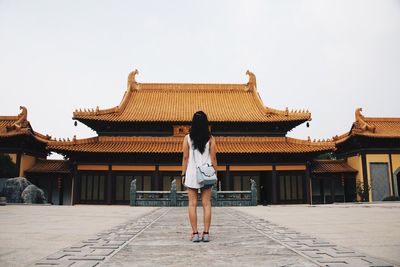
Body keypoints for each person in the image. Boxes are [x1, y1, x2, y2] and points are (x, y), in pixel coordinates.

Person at [181, 111, 217, 242]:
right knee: (207, 204)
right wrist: (215, 173)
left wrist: (183, 173)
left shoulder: (187, 138)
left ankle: (195, 234)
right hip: (206, 173)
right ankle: (206, 233)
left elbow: (185, 157)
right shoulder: (211, 139)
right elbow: (213, 158)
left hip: (191, 173)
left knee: (192, 204)